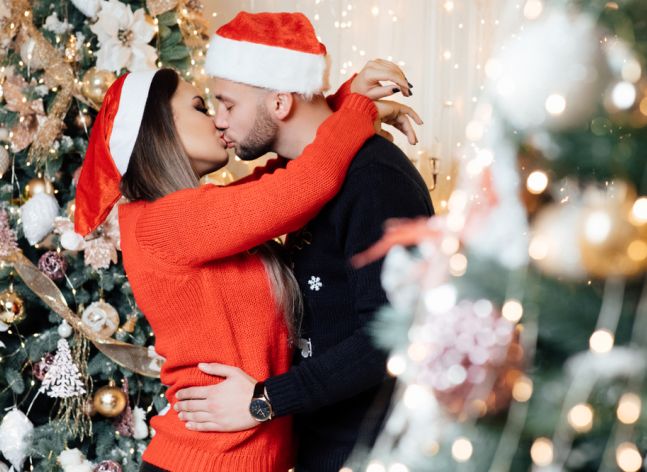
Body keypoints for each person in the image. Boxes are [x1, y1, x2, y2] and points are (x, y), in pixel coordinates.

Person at [74, 42, 419, 472]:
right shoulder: (166, 223)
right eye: (201, 107)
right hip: (206, 463)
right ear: (160, 130)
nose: (218, 120)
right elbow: (304, 184)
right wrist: (357, 110)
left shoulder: (194, 215)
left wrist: (335, 104)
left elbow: (290, 168)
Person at [173, 11, 434, 471]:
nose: (219, 121)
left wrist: (264, 400)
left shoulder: (374, 177)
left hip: (371, 453)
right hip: (321, 446)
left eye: (227, 104)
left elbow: (393, 333)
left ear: (279, 102)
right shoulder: (301, 180)